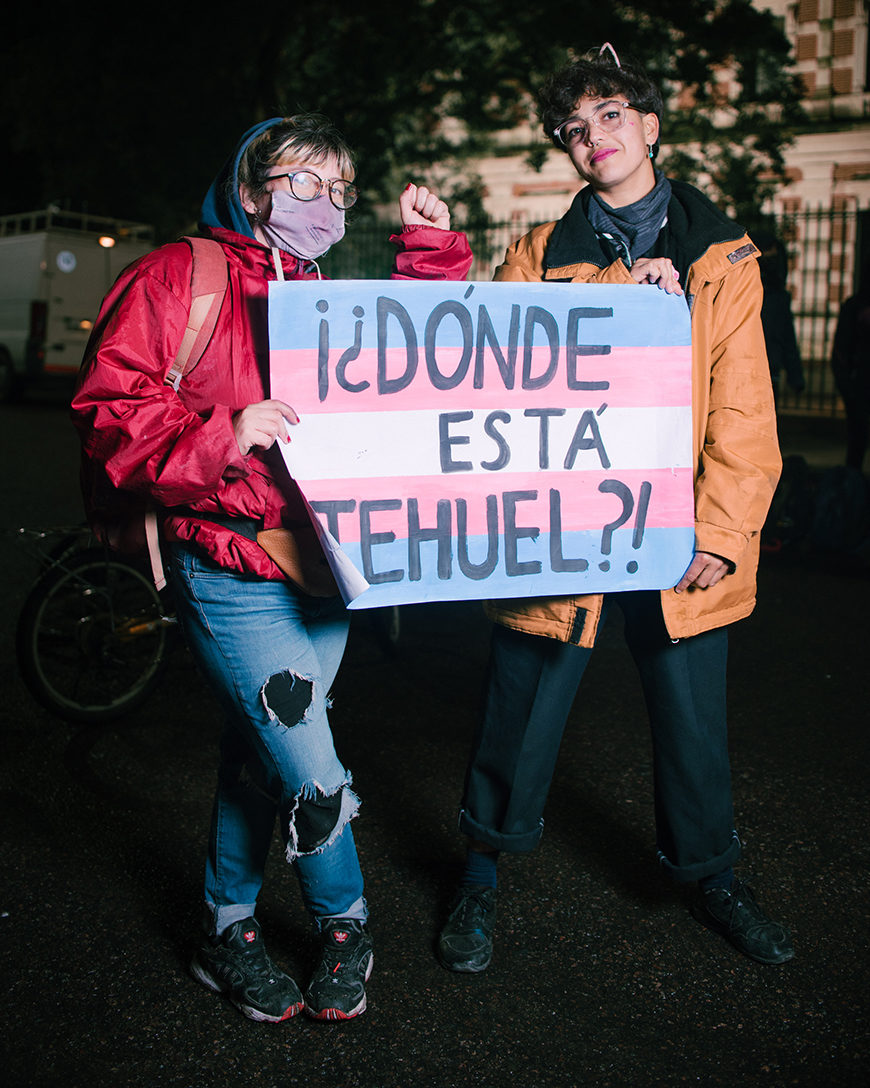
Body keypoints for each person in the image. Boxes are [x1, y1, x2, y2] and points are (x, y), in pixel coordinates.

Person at [71, 114, 471, 1023]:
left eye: (339, 189)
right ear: (251, 191)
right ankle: (347, 925)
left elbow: (405, 359)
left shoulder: (314, 283)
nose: (324, 204)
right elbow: (108, 406)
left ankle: (226, 926)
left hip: (322, 566)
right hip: (227, 562)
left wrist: (432, 249)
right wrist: (224, 432)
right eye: (301, 183)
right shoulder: (179, 274)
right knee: (312, 769)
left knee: (263, 756)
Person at [436, 46, 794, 974]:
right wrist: (612, 294)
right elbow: (497, 369)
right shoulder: (535, 257)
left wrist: (721, 532)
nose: (592, 138)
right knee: (522, 695)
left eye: (608, 116)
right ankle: (480, 872)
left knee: (691, 716)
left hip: (677, 524)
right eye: (573, 128)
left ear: (648, 124)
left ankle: (710, 873)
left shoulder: (723, 253)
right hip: (563, 522)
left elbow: (745, 408)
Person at [831, 260, 870, 472]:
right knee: (858, 435)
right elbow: (840, 350)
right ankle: (853, 482)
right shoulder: (854, 307)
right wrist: (847, 385)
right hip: (859, 381)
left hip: (857, 379)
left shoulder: (854, 306)